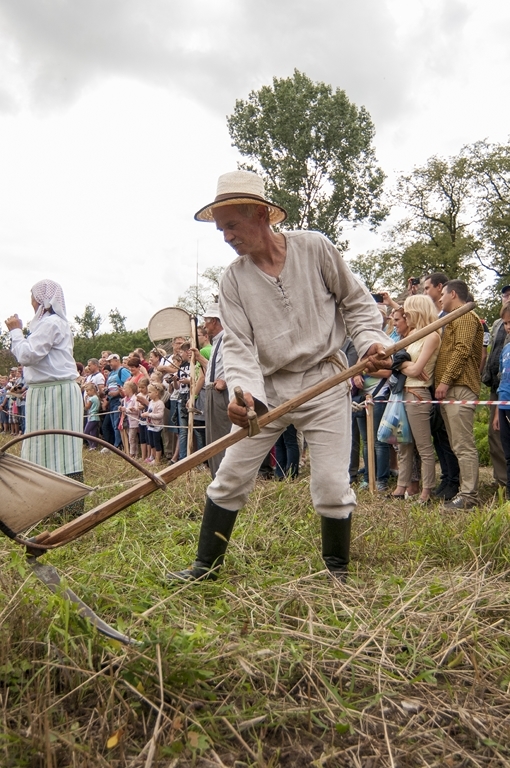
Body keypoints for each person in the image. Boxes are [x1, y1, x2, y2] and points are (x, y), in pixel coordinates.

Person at [167, 170, 389, 583]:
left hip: (324, 381)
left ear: (261, 214)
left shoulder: (314, 248)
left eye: (232, 225)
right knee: (231, 473)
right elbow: (238, 345)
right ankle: (205, 566)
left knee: (331, 482)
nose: (226, 237)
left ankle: (336, 571)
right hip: (267, 389)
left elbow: (356, 303)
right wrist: (246, 395)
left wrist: (371, 343)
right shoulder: (233, 280)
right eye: (221, 229)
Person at [4, 279, 84, 494]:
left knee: (61, 448)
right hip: (47, 392)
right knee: (44, 446)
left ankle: (64, 499)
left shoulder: (51, 323)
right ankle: (43, 496)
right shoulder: (49, 324)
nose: (31, 302)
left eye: (32, 297)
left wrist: (16, 332)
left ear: (41, 299)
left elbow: (27, 355)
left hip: (56, 392)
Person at [434, 280, 483, 510]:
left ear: (453, 294)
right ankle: (465, 493)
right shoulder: (453, 317)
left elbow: (462, 350)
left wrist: (445, 380)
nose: (440, 298)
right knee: (457, 445)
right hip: (452, 388)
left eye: (443, 294)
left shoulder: (464, 315)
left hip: (460, 386)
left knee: (463, 445)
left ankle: (469, 496)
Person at [392, 296, 441, 504]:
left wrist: (404, 366)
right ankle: (402, 487)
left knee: (423, 446)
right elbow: (396, 361)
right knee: (404, 445)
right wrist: (405, 365)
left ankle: (426, 492)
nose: (405, 317)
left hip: (419, 393)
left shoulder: (432, 336)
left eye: (407, 313)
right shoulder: (412, 334)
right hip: (404, 392)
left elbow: (414, 369)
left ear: (418, 311)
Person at [482, 285, 510, 487]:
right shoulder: (497, 323)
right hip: (499, 386)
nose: (507, 297)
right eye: (505, 295)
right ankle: (502, 480)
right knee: (496, 433)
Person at [492, 303, 510, 498]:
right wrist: (498, 411)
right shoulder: (506, 349)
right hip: (504, 405)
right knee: (508, 454)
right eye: (505, 323)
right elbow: (502, 383)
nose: (508, 327)